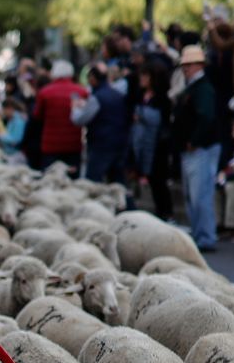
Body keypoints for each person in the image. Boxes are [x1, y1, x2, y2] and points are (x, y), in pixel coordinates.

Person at [173, 45, 223, 251]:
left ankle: (205, 236)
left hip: (200, 147)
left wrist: (194, 140)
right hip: (193, 147)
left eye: (189, 64)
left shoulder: (202, 88)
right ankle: (199, 233)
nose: (185, 68)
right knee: (193, 194)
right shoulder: (193, 87)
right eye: (184, 65)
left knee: (200, 193)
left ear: (199, 65)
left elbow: (206, 117)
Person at [72, 62, 130, 185]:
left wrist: (75, 108)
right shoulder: (117, 95)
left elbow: (79, 120)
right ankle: (126, 204)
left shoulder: (97, 97)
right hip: (119, 143)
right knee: (118, 183)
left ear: (93, 79)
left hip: (101, 145)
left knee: (93, 182)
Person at [130, 63, 174, 218]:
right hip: (142, 143)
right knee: (153, 183)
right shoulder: (139, 95)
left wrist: (142, 116)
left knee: (159, 181)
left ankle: (166, 213)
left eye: (145, 75)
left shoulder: (162, 99)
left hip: (157, 146)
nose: (141, 79)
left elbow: (159, 121)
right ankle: (160, 212)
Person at [33, 59, 87, 172]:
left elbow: (37, 116)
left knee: (50, 179)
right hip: (73, 144)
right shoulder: (82, 92)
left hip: (50, 145)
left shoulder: (45, 92)